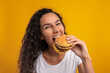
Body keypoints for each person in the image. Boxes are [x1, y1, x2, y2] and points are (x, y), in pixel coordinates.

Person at [18, 8, 95, 73]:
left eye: (58, 24)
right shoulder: (34, 60)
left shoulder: (74, 53)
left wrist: (85, 57)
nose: (56, 30)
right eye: (47, 27)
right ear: (41, 35)